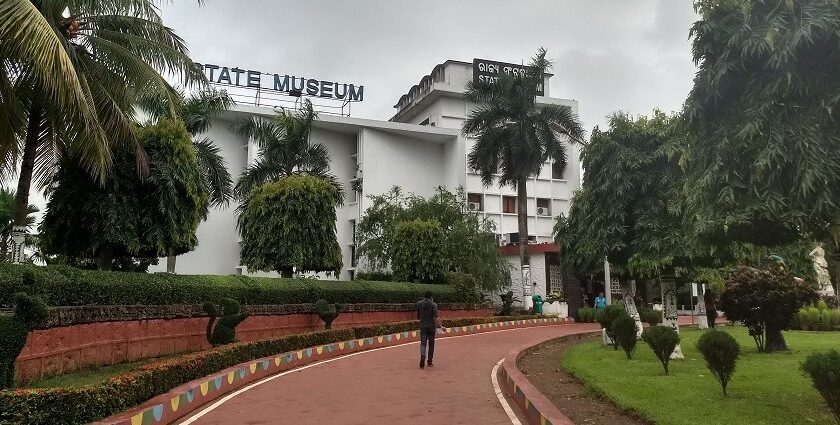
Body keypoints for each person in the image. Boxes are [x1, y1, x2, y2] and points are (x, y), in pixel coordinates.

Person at [416, 291, 442, 369]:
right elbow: (436, 316)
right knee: (431, 344)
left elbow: (418, 316)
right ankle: (429, 362)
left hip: (423, 326)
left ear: (424, 296)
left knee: (423, 343)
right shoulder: (433, 304)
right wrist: (440, 326)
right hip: (431, 327)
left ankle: (423, 355)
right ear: (431, 297)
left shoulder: (419, 303)